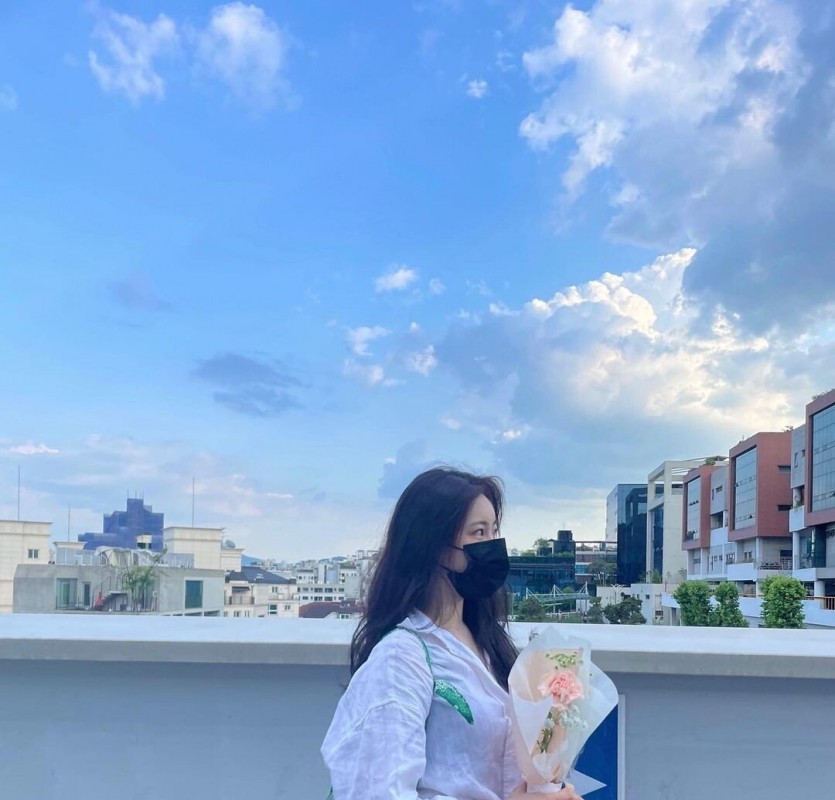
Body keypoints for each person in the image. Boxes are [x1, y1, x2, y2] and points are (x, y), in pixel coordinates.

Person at [321, 467, 582, 800]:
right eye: (478, 532)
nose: (493, 545)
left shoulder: (488, 644)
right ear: (433, 546)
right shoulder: (400, 660)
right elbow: (378, 791)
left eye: (494, 530)